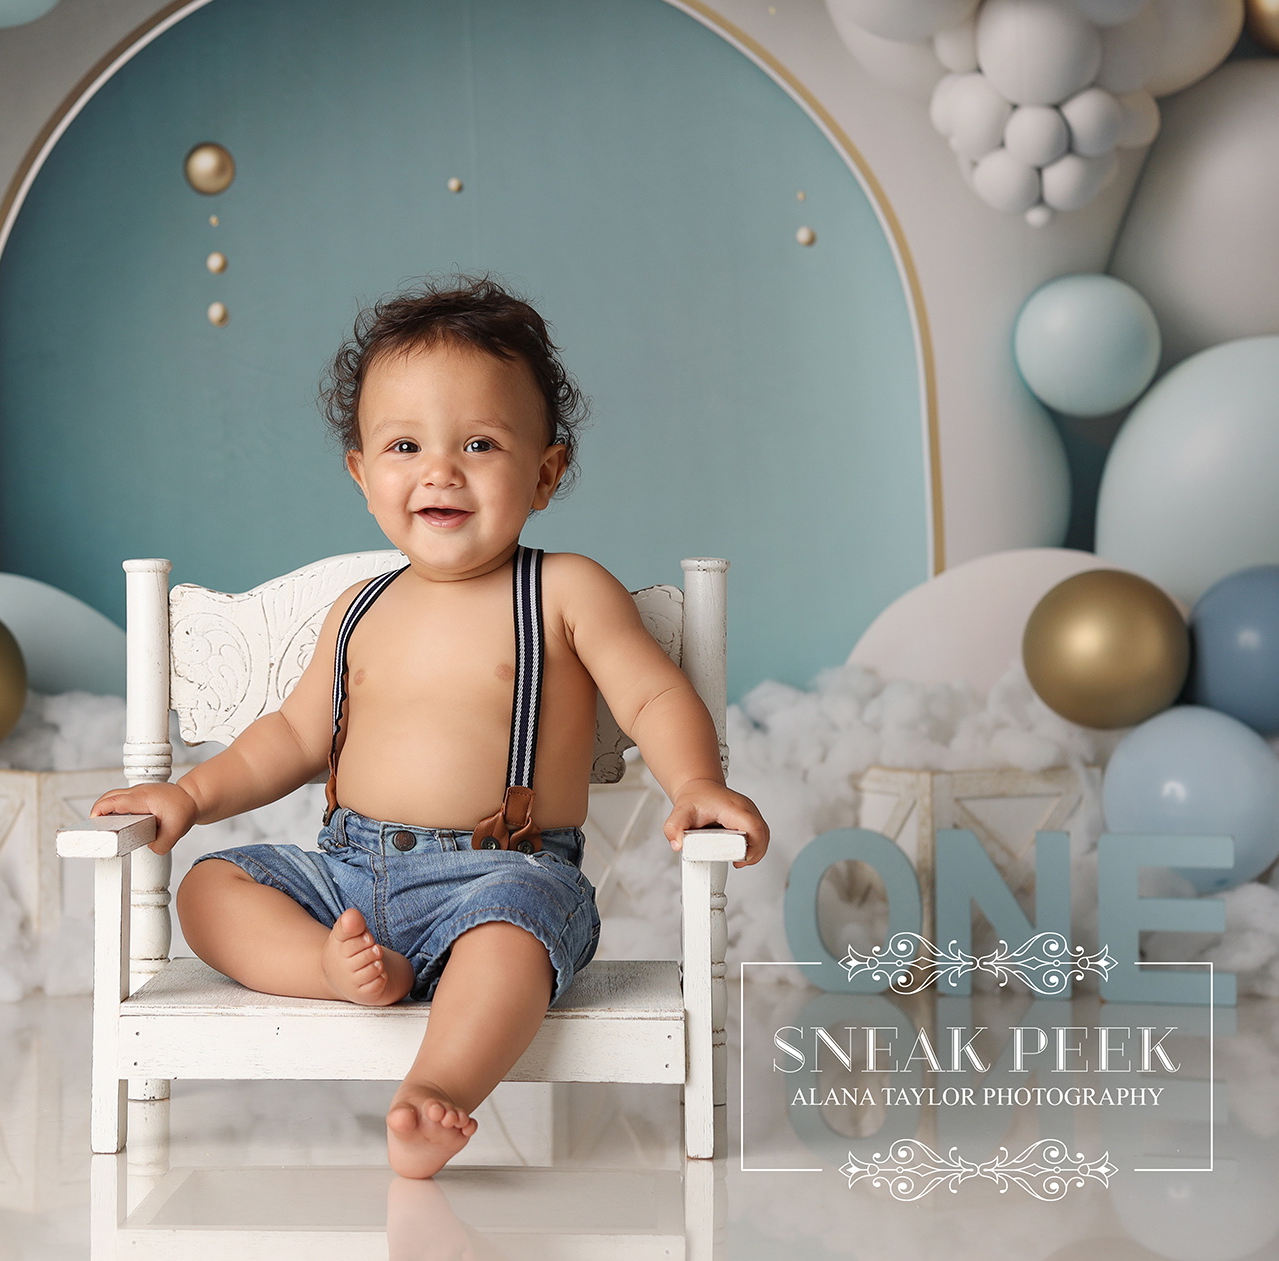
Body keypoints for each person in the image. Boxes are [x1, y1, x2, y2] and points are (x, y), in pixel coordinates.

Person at [91, 275, 770, 1178]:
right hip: (343, 875)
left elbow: (652, 698)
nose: (439, 470)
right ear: (362, 472)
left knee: (518, 934)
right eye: (404, 444)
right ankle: (327, 969)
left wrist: (695, 784)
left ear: (545, 470)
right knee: (209, 890)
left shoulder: (564, 590)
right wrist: (187, 795)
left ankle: (435, 1087)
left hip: (500, 873)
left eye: (479, 443)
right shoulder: (356, 610)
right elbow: (290, 738)